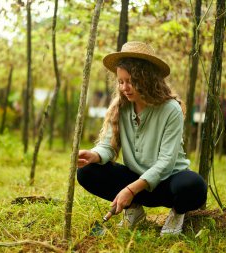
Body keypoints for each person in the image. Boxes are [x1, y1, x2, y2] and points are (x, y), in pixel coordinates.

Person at [77, 41, 207, 235]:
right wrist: (94, 155)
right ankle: (134, 211)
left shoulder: (171, 109)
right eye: (120, 82)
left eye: (130, 81)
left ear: (146, 79)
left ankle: (177, 214)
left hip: (167, 182)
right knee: (87, 171)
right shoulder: (121, 107)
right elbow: (109, 146)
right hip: (134, 181)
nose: (124, 87)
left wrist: (130, 190)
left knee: (194, 185)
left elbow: (166, 162)